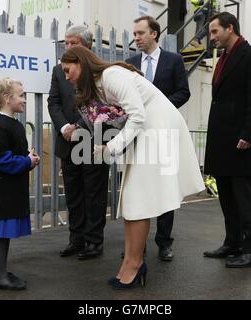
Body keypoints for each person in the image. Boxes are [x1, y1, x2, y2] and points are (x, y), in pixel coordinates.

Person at [60, 46, 205, 289]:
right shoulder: (100, 83)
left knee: (138, 200)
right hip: (149, 130)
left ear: (81, 63)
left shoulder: (111, 76)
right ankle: (130, 262)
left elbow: (136, 115)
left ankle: (134, 265)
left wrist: (111, 148)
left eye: (67, 70)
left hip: (156, 128)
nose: (66, 76)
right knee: (131, 200)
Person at [203, 12, 251, 268]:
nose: (212, 37)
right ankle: (233, 243)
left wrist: (248, 134)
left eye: (214, 31)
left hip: (240, 141)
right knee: (227, 196)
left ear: (230, 28)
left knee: (243, 196)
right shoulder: (224, 57)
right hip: (221, 141)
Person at [126, 15, 190, 262]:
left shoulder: (173, 61)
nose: (136, 38)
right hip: (138, 135)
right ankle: (136, 247)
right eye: (134, 34)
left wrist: (159, 108)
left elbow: (183, 92)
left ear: (154, 33)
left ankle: (164, 242)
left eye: (140, 33)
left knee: (165, 187)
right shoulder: (130, 63)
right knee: (138, 188)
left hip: (164, 133)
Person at [48, 26, 110, 260]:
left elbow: (104, 107)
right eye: (65, 43)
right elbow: (53, 102)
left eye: (73, 43)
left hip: (94, 141)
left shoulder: (99, 70)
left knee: (95, 194)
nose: (68, 47)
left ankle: (94, 242)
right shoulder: (58, 71)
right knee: (73, 194)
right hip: (67, 142)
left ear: (87, 46)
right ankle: (77, 239)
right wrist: (65, 128)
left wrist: (79, 127)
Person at [0, 78, 41, 290]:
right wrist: (26, 161)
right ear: (7, 98)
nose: (24, 99)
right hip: (1, 190)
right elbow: (0, 160)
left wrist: (28, 160)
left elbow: (12, 154)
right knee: (0, 231)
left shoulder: (13, 124)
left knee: (3, 232)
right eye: (21, 95)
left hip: (10, 189)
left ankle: (1, 272)